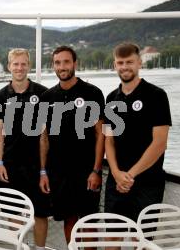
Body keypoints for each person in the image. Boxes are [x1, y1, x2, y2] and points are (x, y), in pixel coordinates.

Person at [39, 45, 105, 244]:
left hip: (86, 171)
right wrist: (43, 171)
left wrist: (96, 170)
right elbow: (44, 137)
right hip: (58, 172)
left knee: (88, 221)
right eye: (58, 63)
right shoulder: (47, 98)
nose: (62, 67)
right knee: (69, 219)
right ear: (53, 66)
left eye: (66, 62)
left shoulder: (92, 93)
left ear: (75, 63)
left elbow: (100, 134)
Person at [104, 43, 171, 234]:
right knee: (111, 235)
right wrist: (116, 173)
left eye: (129, 62)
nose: (125, 67)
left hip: (148, 181)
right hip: (116, 180)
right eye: (120, 62)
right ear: (115, 65)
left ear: (139, 63)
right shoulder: (111, 99)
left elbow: (159, 143)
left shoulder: (156, 96)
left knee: (141, 239)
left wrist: (130, 175)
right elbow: (109, 139)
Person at [0, 48, 50, 250]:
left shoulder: (43, 93)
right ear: (9, 66)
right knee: (14, 213)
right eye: (15, 64)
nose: (19, 68)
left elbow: (45, 136)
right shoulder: (0, 96)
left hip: (36, 165)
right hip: (10, 164)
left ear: (29, 65)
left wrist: (44, 170)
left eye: (23, 63)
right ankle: (19, 247)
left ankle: (39, 249)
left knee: (40, 214)